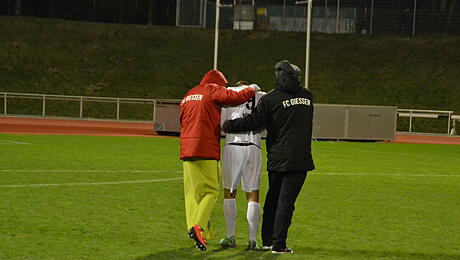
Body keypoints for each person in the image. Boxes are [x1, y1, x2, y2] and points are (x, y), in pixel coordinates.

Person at [223, 60, 315, 254]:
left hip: (276, 157)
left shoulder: (271, 99)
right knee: (286, 203)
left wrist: (230, 125)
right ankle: (279, 244)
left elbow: (254, 121)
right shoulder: (308, 96)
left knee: (273, 199)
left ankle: (267, 240)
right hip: (299, 158)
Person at [180, 69, 258, 251]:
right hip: (205, 148)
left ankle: (197, 233)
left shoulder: (189, 94)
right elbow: (233, 97)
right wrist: (252, 89)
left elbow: (182, 120)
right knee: (211, 192)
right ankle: (197, 227)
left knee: (192, 194)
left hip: (186, 148)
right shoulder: (212, 89)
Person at [219, 81, 266, 250]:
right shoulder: (261, 95)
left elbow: (221, 124)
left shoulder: (229, 93)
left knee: (229, 193)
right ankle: (252, 240)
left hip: (233, 145)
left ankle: (230, 237)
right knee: (253, 194)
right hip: (254, 146)